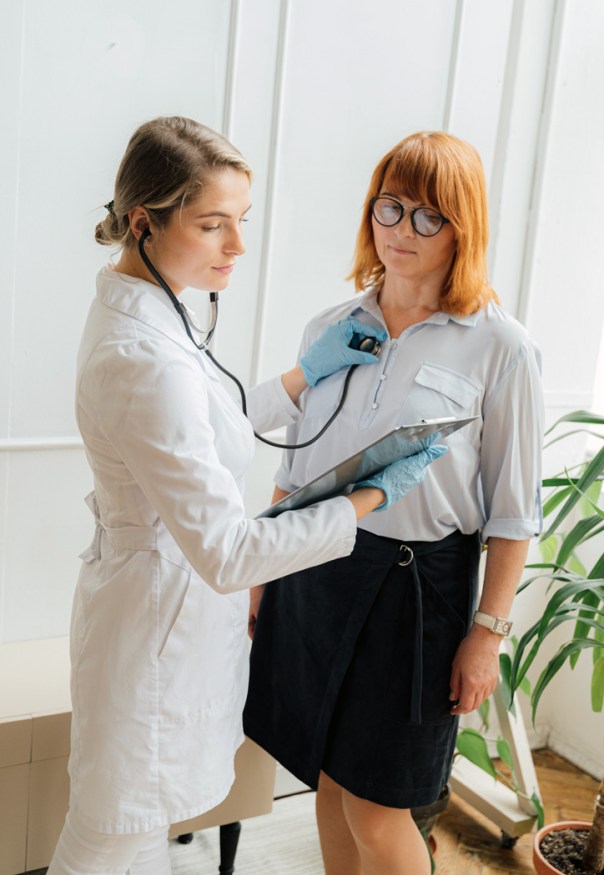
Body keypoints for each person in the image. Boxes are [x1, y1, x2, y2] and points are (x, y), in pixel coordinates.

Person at [46, 116, 445, 875]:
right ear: (144, 221)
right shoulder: (141, 354)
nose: (237, 246)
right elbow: (229, 552)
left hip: (159, 611)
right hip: (153, 627)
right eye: (213, 224)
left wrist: (305, 377)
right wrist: (368, 496)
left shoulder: (156, 311)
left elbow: (203, 426)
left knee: (134, 832)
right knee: (107, 837)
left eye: (243, 222)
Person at [244, 131, 544, 875]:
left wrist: (488, 633)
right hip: (313, 566)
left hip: (416, 593)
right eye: (390, 207)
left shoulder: (501, 346)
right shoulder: (332, 327)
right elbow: (299, 469)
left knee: (381, 808)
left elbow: (514, 514)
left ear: (461, 227)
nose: (401, 231)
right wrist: (263, 569)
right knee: (328, 780)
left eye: (427, 217)